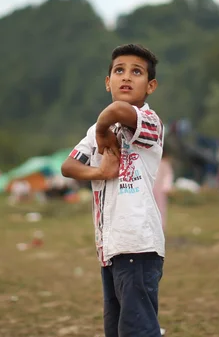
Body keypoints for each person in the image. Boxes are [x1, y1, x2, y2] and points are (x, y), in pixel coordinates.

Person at [61, 44, 165, 337]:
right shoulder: (97, 128)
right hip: (110, 248)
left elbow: (118, 111)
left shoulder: (150, 121)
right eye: (119, 70)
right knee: (117, 330)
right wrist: (100, 171)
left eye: (137, 71)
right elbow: (68, 166)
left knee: (138, 329)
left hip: (138, 244)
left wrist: (102, 131)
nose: (126, 77)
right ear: (108, 82)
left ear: (151, 85)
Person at [153, 148, 174, 232]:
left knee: (160, 208)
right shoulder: (150, 162)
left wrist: (167, 187)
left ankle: (160, 227)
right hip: (150, 189)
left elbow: (168, 175)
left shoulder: (164, 163)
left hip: (160, 190)